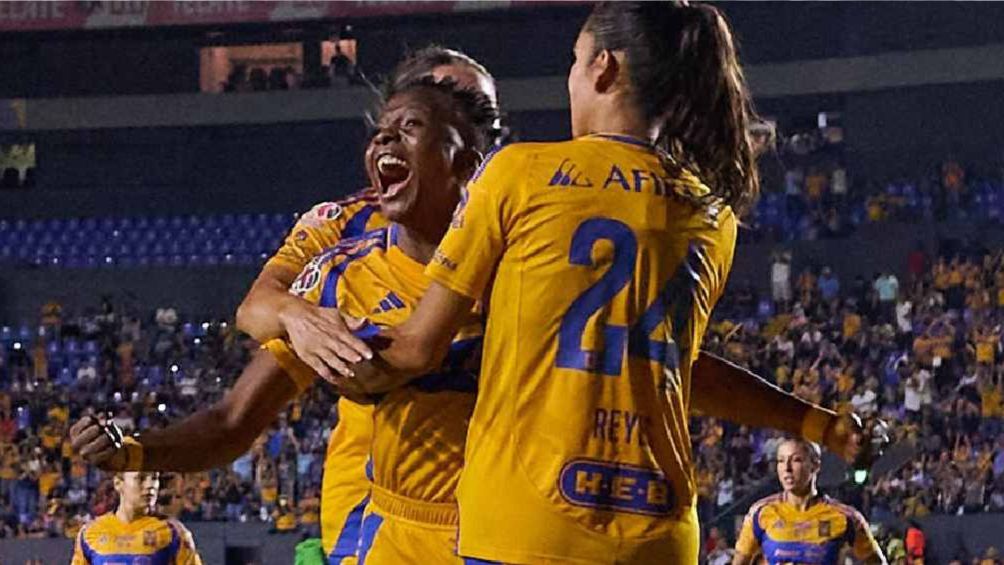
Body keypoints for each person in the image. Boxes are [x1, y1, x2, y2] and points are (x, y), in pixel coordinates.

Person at [320, 3, 864, 563]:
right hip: (661, 534)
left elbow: (415, 350)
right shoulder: (711, 214)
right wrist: (814, 422)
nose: (571, 78)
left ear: (603, 67)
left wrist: (305, 327)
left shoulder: (518, 174)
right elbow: (678, 370)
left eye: (575, 61)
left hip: (527, 526)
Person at [71, 77, 499, 565]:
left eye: (412, 125)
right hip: (398, 534)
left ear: (467, 163)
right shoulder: (341, 273)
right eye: (382, 129)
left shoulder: (523, 263)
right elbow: (233, 419)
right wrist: (131, 451)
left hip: (511, 524)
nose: (384, 138)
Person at [235, 46, 500, 565]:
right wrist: (299, 317)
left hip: (490, 507)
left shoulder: (511, 225)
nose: (476, 120)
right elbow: (257, 306)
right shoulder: (346, 223)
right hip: (379, 513)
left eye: (484, 110)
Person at [733, 438, 885, 565]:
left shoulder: (845, 517)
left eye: (796, 460)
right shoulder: (761, 512)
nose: (787, 468)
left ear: (815, 465)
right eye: (781, 461)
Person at [71, 471, 202, 564]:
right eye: (141, 478)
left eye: (154, 478)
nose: (150, 485)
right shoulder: (89, 533)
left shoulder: (174, 533)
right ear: (118, 483)